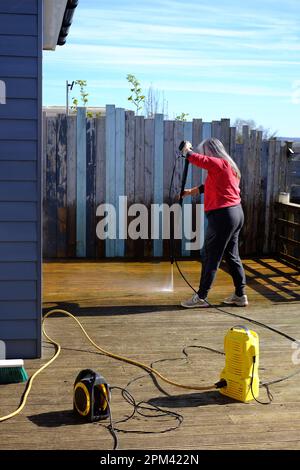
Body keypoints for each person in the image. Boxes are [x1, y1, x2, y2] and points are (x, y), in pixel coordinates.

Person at [180, 138, 248, 308]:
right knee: (232, 257)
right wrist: (190, 192)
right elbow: (210, 186)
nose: (203, 155)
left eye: (205, 152)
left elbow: (199, 160)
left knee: (210, 256)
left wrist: (188, 151)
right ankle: (240, 295)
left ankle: (201, 297)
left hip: (223, 217)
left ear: (211, 151)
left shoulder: (220, 163)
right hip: (236, 214)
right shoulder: (230, 167)